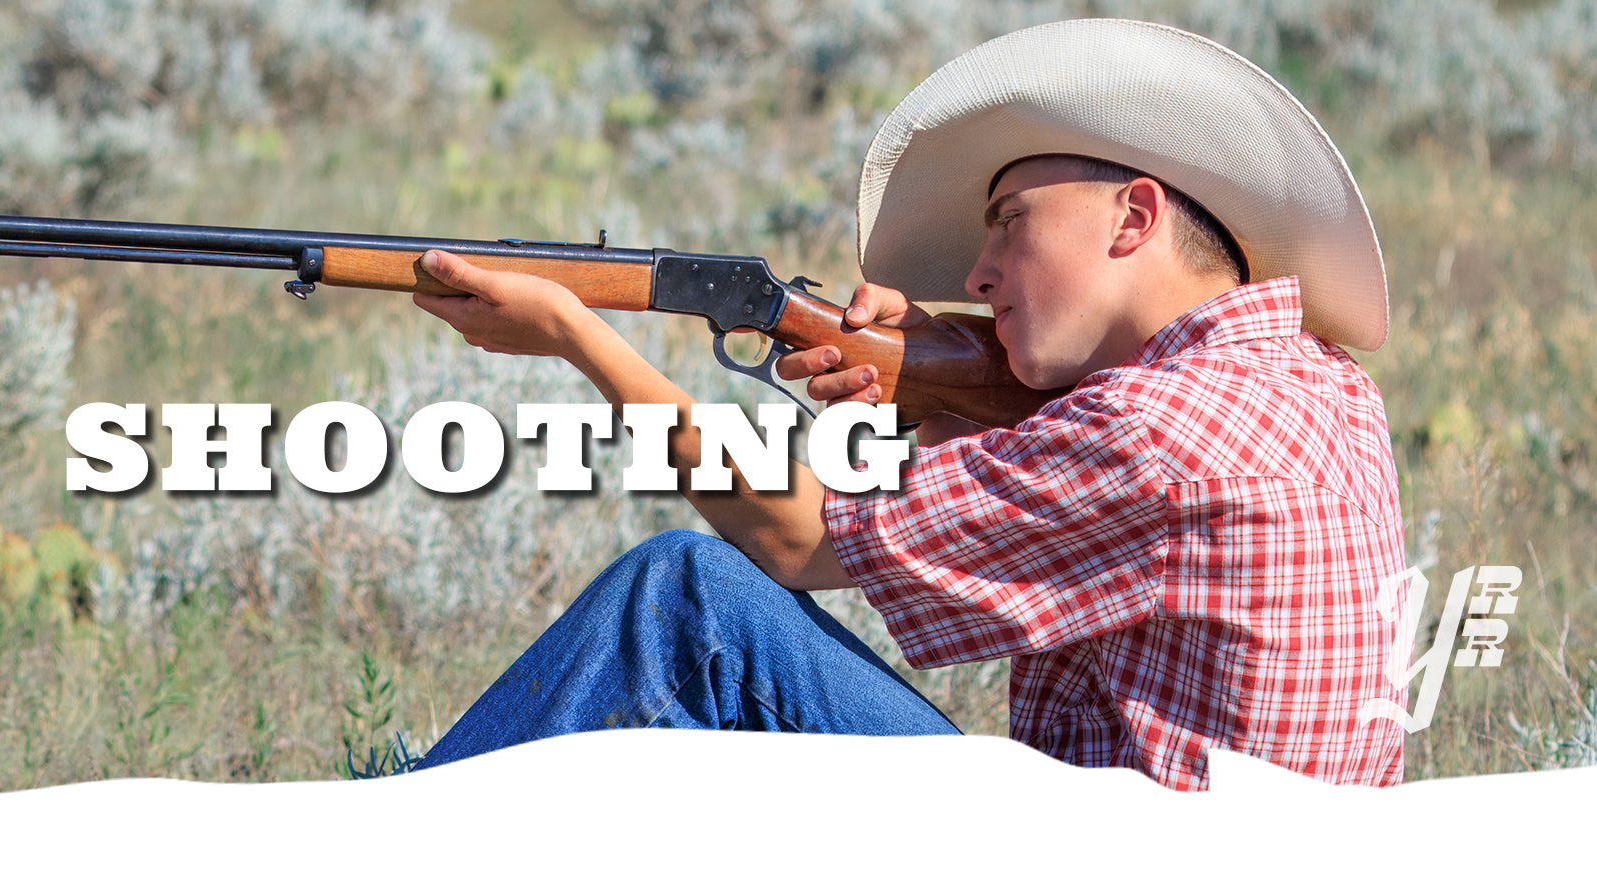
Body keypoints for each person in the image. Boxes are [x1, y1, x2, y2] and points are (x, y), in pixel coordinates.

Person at [400, 19, 1407, 790]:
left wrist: (578, 334)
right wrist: (922, 380)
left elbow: (791, 542)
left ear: (1133, 216)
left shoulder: (1150, 433)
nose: (979, 273)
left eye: (1011, 224)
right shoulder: (1324, 388)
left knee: (685, 597)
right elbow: (1083, 502)